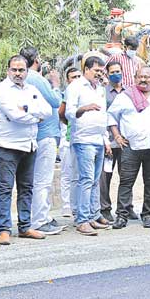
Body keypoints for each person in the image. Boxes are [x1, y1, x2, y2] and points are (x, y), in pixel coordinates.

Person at [0, 55, 52, 244]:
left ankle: (25, 226)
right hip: (7, 146)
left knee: (26, 188)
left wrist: (26, 110)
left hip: (29, 144)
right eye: (14, 70)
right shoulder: (2, 90)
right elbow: (14, 115)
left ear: (27, 71)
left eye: (21, 70)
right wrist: (35, 116)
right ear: (8, 70)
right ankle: (4, 229)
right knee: (5, 188)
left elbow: (48, 111)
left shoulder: (32, 89)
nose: (18, 73)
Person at [108, 66, 150, 229]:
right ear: (135, 78)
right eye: (140, 77)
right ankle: (122, 216)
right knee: (126, 182)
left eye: (147, 77)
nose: (143, 80)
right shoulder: (125, 97)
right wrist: (117, 136)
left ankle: (147, 214)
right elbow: (110, 116)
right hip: (131, 147)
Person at [65, 55, 111, 236]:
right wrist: (84, 108)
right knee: (85, 179)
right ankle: (82, 220)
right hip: (83, 139)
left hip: (99, 138)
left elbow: (103, 114)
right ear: (86, 69)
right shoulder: (75, 86)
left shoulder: (99, 88)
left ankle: (93, 215)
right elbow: (69, 113)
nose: (99, 74)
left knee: (94, 180)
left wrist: (105, 139)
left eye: (101, 71)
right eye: (96, 71)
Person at [21, 47, 64, 236]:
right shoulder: (36, 78)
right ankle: (39, 219)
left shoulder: (23, 78)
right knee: (42, 180)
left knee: (35, 179)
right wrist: (55, 83)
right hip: (44, 134)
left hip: (32, 135)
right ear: (36, 60)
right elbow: (55, 101)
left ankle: (42, 217)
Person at [99, 60, 124, 223]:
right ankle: (105, 208)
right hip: (108, 140)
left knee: (126, 175)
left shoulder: (129, 92)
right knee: (105, 176)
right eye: (113, 71)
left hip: (125, 141)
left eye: (118, 71)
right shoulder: (102, 93)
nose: (116, 74)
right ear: (107, 74)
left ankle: (125, 207)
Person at [58, 65, 81, 218]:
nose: (77, 80)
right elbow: (62, 115)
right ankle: (66, 205)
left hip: (80, 140)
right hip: (66, 141)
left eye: (79, 77)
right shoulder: (63, 97)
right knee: (67, 174)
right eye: (74, 77)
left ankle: (76, 205)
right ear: (67, 80)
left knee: (79, 175)